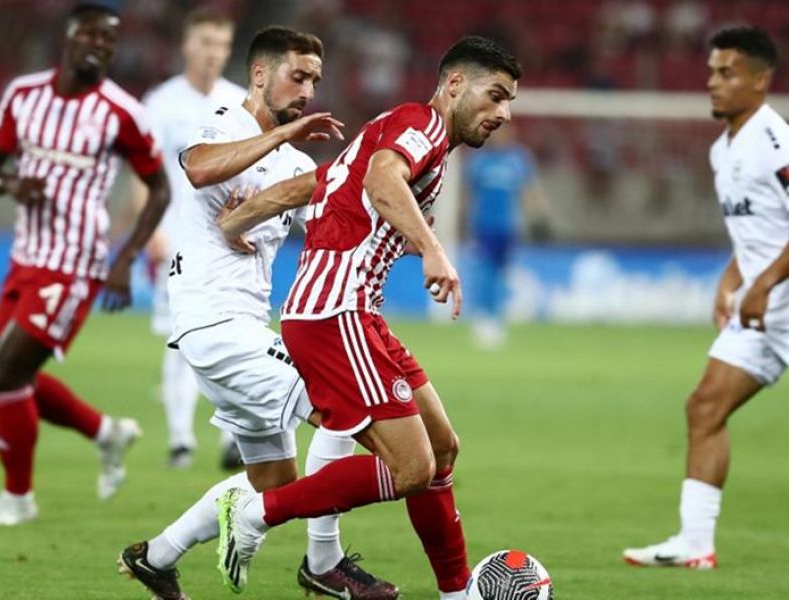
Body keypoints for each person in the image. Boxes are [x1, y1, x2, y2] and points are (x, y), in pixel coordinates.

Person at [215, 36, 521, 600]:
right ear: (455, 84)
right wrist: (432, 248)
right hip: (336, 312)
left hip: (354, 313)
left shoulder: (399, 132)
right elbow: (381, 181)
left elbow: (318, 182)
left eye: (509, 102)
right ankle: (255, 512)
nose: (503, 113)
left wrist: (238, 220)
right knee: (411, 469)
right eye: (496, 95)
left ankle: (457, 591)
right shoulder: (422, 125)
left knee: (441, 448)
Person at [117, 27, 398, 600]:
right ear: (261, 74)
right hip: (215, 323)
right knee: (343, 405)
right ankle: (325, 563)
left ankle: (157, 556)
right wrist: (283, 134)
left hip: (245, 327)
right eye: (298, 76)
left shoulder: (292, 161)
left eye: (315, 80)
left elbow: (331, 221)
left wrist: (401, 228)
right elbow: (199, 169)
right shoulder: (224, 120)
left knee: (276, 483)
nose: (308, 91)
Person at [0, 0, 169, 526]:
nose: (100, 46)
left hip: (75, 264)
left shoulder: (122, 112)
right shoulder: (23, 95)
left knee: (6, 374)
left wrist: (125, 258)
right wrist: (12, 184)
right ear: (69, 37)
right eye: (92, 36)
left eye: (110, 40)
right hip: (24, 257)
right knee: (12, 378)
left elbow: (160, 189)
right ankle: (106, 432)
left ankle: (18, 499)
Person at [624, 26, 787, 569]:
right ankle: (695, 544)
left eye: (727, 72)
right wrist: (731, 279)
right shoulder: (723, 151)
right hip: (762, 310)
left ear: (760, 80)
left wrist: (763, 283)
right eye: (712, 71)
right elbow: (760, 231)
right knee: (705, 406)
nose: (713, 82)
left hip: (774, 297)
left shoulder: (776, 144)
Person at [129, 8, 246, 470]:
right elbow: (143, 173)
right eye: (205, 42)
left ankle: (232, 437)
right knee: (179, 337)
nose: (213, 53)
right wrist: (150, 229)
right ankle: (181, 439)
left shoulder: (238, 101)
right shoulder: (160, 103)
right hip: (176, 238)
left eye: (221, 45)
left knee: (232, 335)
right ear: (187, 45)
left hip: (225, 240)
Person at [463, 124, 550, 348]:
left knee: (502, 274)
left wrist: (537, 217)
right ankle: (483, 317)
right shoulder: (480, 161)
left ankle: (496, 317)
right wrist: (463, 221)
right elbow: (468, 194)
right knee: (484, 273)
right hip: (484, 226)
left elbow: (528, 191)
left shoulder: (518, 159)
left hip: (508, 227)